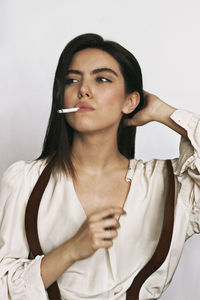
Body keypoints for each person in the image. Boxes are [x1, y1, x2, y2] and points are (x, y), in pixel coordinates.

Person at [0, 33, 199, 300]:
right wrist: (71, 250)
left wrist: (163, 112)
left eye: (102, 79)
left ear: (130, 101)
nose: (83, 89)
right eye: (72, 80)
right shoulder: (24, 181)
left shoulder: (171, 184)